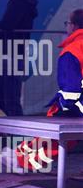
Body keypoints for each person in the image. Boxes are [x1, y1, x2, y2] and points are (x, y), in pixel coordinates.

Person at [7, 9, 83, 172]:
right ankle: (19, 158)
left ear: (74, 26)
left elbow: (71, 89)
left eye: (68, 23)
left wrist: (62, 110)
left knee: (54, 140)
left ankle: (20, 160)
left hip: (76, 110)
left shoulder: (72, 51)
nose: (67, 26)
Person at [0, 0, 38, 116]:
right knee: (1, 98)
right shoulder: (18, 3)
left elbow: (8, 25)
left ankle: (19, 127)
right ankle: (16, 124)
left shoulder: (19, 3)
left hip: (13, 55)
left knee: (10, 99)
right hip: (9, 54)